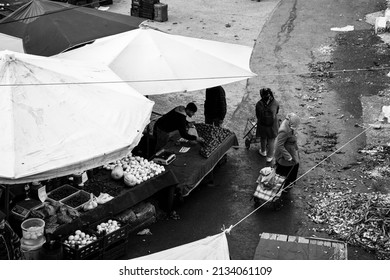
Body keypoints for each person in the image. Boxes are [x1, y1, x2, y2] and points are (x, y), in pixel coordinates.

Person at [274, 113, 301, 191]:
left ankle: (289, 182)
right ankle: (285, 185)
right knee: (287, 168)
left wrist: (296, 148)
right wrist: (288, 157)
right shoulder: (284, 131)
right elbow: (280, 145)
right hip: (284, 153)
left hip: (291, 148)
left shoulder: (289, 124)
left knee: (295, 164)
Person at [255, 88, 280, 163]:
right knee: (271, 140)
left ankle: (263, 151)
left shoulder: (259, 104)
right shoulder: (275, 103)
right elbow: (277, 112)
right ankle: (269, 157)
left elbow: (257, 115)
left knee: (263, 137)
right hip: (272, 126)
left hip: (262, 125)